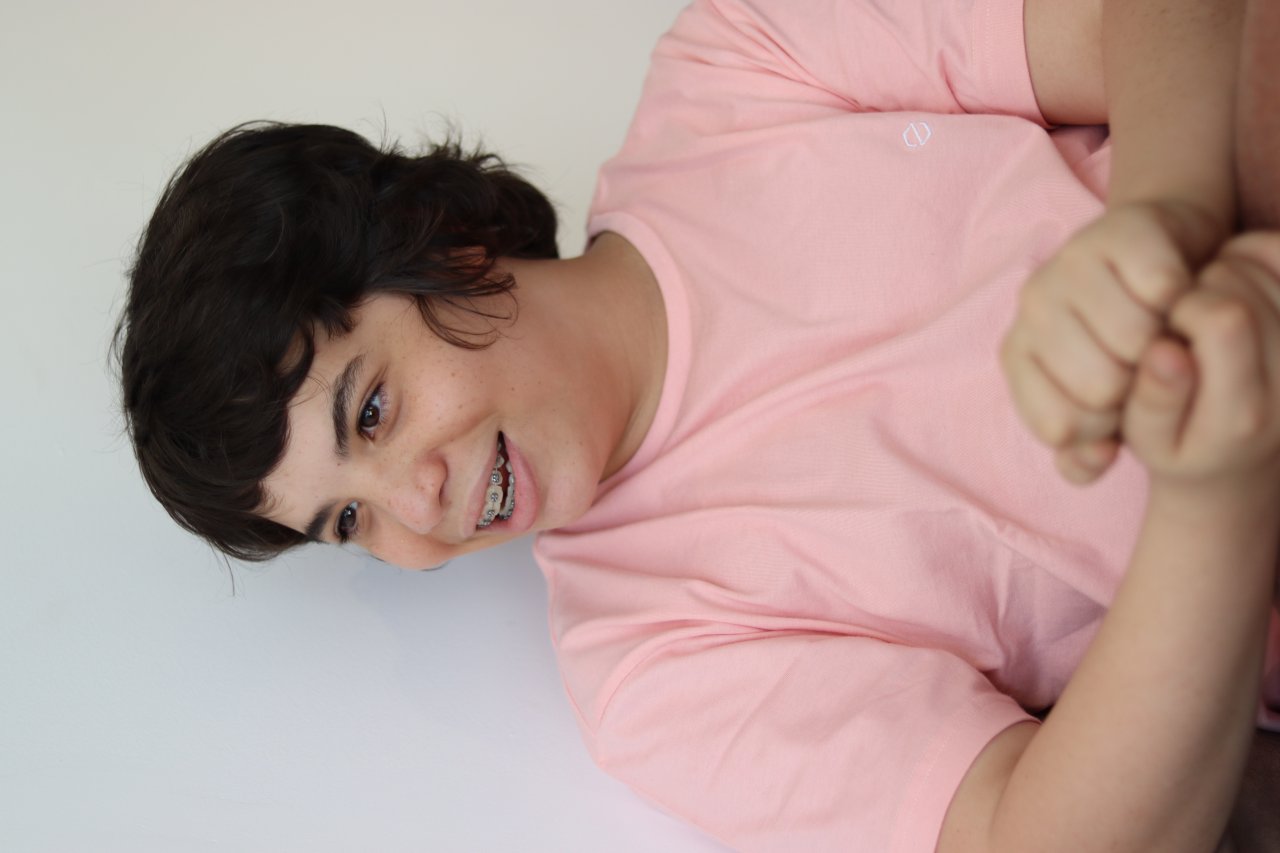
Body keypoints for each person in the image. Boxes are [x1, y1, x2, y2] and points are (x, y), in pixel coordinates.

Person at [114, 0, 1280, 850]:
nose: (412, 506)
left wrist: (1165, 227)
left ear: (441, 245)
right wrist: (1212, 491)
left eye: (371, 410)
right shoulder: (647, 665)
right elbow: (1036, 834)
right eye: (348, 520)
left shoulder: (733, 65)